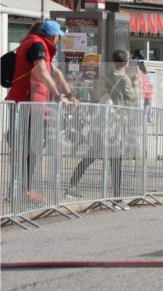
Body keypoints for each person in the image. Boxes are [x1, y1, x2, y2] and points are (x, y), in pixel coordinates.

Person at [6, 20, 77, 204]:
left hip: (32, 103)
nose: (59, 40)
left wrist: (70, 94)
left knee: (32, 147)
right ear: (52, 36)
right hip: (29, 102)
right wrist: (58, 95)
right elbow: (43, 72)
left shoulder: (37, 45)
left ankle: (24, 188)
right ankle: (23, 190)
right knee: (30, 148)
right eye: (58, 36)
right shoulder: (37, 46)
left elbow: (56, 73)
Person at [65, 49, 137, 199]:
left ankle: (71, 185)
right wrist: (135, 83)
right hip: (115, 122)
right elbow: (132, 98)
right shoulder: (124, 79)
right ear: (126, 62)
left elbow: (96, 93)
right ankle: (117, 195)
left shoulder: (105, 76)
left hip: (101, 121)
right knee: (115, 158)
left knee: (91, 155)